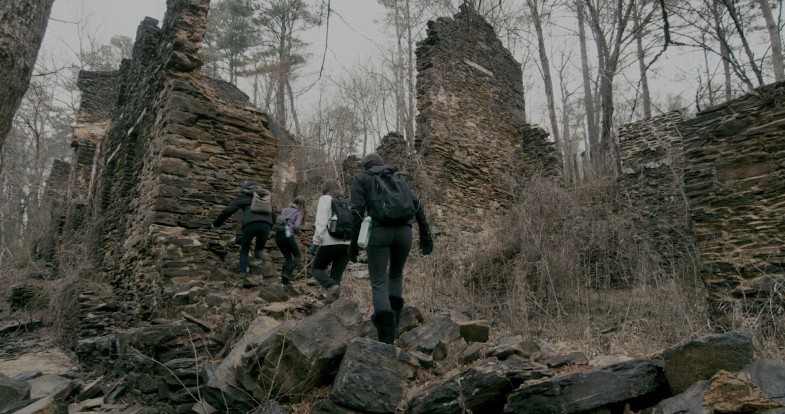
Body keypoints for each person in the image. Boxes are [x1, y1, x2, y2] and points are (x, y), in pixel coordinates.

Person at [349, 153, 434, 344]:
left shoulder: (362, 178)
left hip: (379, 232)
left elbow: (356, 212)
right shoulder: (398, 179)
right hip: (404, 233)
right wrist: (426, 236)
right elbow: (417, 205)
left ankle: (386, 339)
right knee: (395, 274)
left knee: (379, 282)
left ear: (366, 167)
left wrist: (353, 244)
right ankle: (394, 327)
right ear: (382, 164)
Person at [213, 181, 274, 285]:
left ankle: (241, 277)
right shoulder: (264, 196)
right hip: (266, 225)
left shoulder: (244, 196)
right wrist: (269, 226)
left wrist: (216, 224)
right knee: (259, 250)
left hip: (250, 224)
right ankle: (267, 269)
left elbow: (228, 210)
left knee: (244, 250)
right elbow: (273, 215)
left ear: (246, 188)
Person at [310, 179, 351, 303]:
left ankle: (330, 286)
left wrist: (315, 243)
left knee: (316, 268)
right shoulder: (347, 200)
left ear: (325, 189)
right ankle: (333, 303)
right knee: (336, 276)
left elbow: (321, 222)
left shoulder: (325, 199)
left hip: (330, 242)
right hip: (347, 243)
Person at [275, 196, 306, 285]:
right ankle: (287, 273)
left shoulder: (284, 210)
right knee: (297, 256)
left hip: (278, 235)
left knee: (288, 258)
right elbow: (296, 226)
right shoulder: (299, 212)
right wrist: (295, 229)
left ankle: (284, 282)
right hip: (288, 235)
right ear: (302, 205)